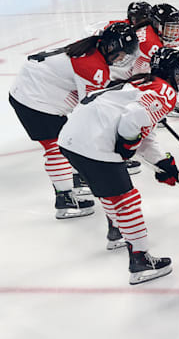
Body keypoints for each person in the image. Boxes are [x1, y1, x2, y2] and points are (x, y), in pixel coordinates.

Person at [58, 48, 179, 283]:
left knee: (111, 194)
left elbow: (141, 129)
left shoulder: (140, 81)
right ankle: (140, 260)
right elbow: (133, 119)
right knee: (126, 199)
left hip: (71, 140)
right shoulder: (165, 90)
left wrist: (161, 163)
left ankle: (117, 230)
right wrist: (128, 145)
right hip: (94, 143)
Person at [9, 22, 139, 220]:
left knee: (66, 140)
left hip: (32, 90)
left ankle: (75, 180)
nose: (123, 58)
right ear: (111, 47)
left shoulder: (91, 48)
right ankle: (65, 200)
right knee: (55, 146)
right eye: (122, 53)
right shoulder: (92, 65)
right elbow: (90, 108)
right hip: (34, 99)